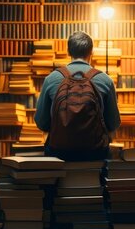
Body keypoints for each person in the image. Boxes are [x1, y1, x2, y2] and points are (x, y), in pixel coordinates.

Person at [35, 31, 121, 161]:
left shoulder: (51, 79)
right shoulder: (105, 80)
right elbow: (113, 123)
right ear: (91, 52)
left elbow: (41, 123)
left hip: (59, 156)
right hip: (94, 155)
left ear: (68, 52)